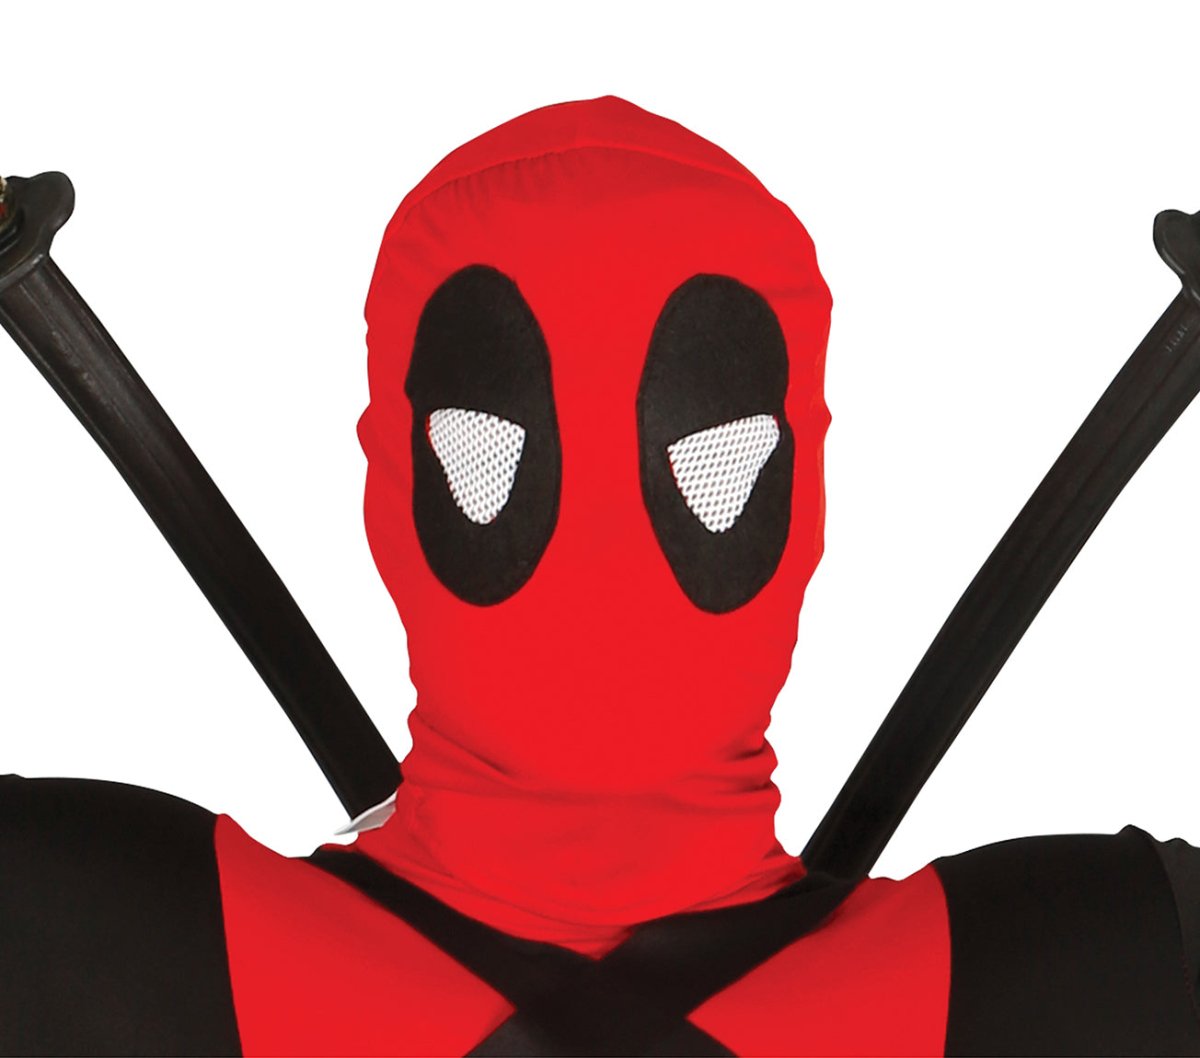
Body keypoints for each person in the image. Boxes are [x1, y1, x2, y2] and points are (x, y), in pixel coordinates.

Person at [3, 93, 1199, 1057]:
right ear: (806, 502)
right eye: (495, 447)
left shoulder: (85, 923)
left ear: (389, 490)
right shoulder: (1103, 961)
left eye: (705, 454)